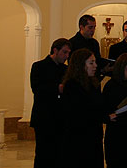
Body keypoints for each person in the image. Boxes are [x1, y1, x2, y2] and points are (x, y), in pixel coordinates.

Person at [29, 38, 71, 168]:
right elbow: (37, 88)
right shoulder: (38, 66)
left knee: (60, 154)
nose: (67, 56)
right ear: (55, 50)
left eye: (68, 53)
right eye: (64, 52)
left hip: (61, 118)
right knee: (44, 154)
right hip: (44, 118)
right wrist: (57, 88)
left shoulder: (66, 69)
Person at [61, 48, 104, 168]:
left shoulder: (93, 83)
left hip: (93, 136)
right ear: (80, 65)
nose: (95, 66)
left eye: (95, 62)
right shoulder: (72, 85)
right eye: (91, 63)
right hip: (78, 138)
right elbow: (78, 112)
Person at [102, 53, 127, 168]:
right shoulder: (111, 86)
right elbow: (107, 111)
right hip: (117, 136)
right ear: (122, 68)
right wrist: (124, 112)